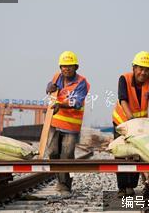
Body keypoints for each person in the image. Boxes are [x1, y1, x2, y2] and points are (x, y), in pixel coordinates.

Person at [112, 51, 149, 197]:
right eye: (140, 68)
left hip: (139, 123)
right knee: (122, 154)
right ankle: (122, 187)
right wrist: (130, 118)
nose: (143, 72)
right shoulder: (124, 79)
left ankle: (131, 186)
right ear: (134, 68)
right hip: (122, 121)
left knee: (136, 154)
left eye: (147, 69)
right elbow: (123, 99)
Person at [45, 51, 90, 195]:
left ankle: (64, 184)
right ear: (60, 67)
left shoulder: (82, 82)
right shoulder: (57, 77)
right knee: (52, 152)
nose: (66, 69)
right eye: (64, 66)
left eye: (70, 66)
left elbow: (76, 102)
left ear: (76, 67)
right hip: (54, 122)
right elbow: (50, 87)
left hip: (71, 126)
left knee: (66, 154)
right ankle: (61, 180)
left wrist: (61, 105)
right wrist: (48, 88)